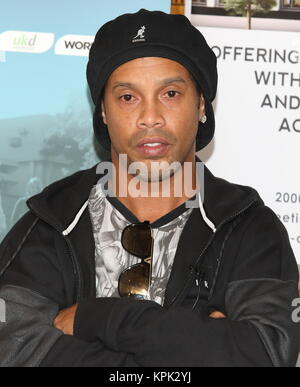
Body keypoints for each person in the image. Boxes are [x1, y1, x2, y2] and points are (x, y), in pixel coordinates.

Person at [0, 9, 299, 367]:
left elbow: (265, 353)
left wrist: (97, 319)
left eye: (170, 93)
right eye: (128, 97)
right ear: (104, 112)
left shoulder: (250, 228)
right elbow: (14, 348)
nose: (150, 116)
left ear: (201, 104)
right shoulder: (51, 220)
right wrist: (195, 345)